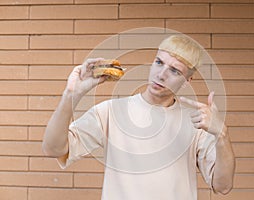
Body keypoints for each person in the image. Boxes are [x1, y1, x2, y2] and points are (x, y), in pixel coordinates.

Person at [42, 34, 235, 200]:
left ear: (187, 81)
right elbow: (53, 148)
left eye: (174, 71)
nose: (161, 74)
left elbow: (223, 186)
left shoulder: (196, 125)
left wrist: (222, 134)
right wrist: (70, 95)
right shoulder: (111, 111)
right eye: (159, 62)